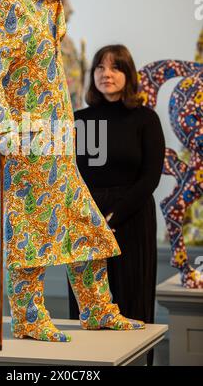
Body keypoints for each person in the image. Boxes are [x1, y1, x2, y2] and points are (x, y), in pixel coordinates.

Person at [0, 0, 145, 343]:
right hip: (22, 142)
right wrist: (1, 133)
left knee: (84, 222)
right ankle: (28, 317)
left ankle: (98, 309)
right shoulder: (5, 2)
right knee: (26, 230)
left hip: (55, 139)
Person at [68, 45, 165, 361]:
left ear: (128, 74)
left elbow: (150, 177)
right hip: (86, 217)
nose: (106, 74)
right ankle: (87, 364)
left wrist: (115, 215)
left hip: (131, 216)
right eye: (99, 68)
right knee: (86, 302)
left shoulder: (145, 119)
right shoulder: (79, 120)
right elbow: (71, 172)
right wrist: (90, 214)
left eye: (115, 68)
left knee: (131, 296)